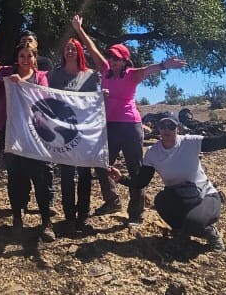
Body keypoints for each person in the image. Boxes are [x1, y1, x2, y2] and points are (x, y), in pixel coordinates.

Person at [71, 14, 187, 223]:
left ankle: (136, 214)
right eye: (111, 57)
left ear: (125, 61)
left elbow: (149, 70)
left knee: (136, 170)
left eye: (116, 58)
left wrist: (164, 65)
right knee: (101, 164)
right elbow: (92, 47)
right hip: (110, 126)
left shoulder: (132, 74)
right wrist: (79, 29)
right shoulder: (105, 70)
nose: (112, 61)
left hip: (131, 126)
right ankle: (112, 201)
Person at [113, 113, 226, 253]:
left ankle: (209, 232)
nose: (166, 130)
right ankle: (181, 232)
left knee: (193, 223)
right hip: (180, 198)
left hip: (206, 196)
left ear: (178, 128)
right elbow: (141, 182)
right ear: (158, 128)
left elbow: (221, 141)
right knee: (161, 201)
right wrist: (121, 179)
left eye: (171, 126)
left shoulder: (190, 142)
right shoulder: (153, 153)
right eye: (162, 126)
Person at [0, 44, 55, 241]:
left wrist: (22, 84)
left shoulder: (41, 77)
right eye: (21, 56)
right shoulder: (7, 75)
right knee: (15, 175)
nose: (24, 59)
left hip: (35, 134)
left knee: (41, 176)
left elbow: (44, 97)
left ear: (35, 58)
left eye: (28, 56)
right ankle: (17, 217)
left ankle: (46, 221)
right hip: (11, 132)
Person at [47, 36, 111, 235]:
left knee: (84, 176)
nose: (70, 52)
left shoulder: (90, 75)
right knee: (66, 176)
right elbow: (44, 94)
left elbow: (92, 103)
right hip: (63, 133)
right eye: (67, 48)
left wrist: (102, 96)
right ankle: (69, 219)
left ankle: (82, 217)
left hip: (84, 134)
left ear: (79, 52)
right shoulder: (54, 75)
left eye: (73, 49)